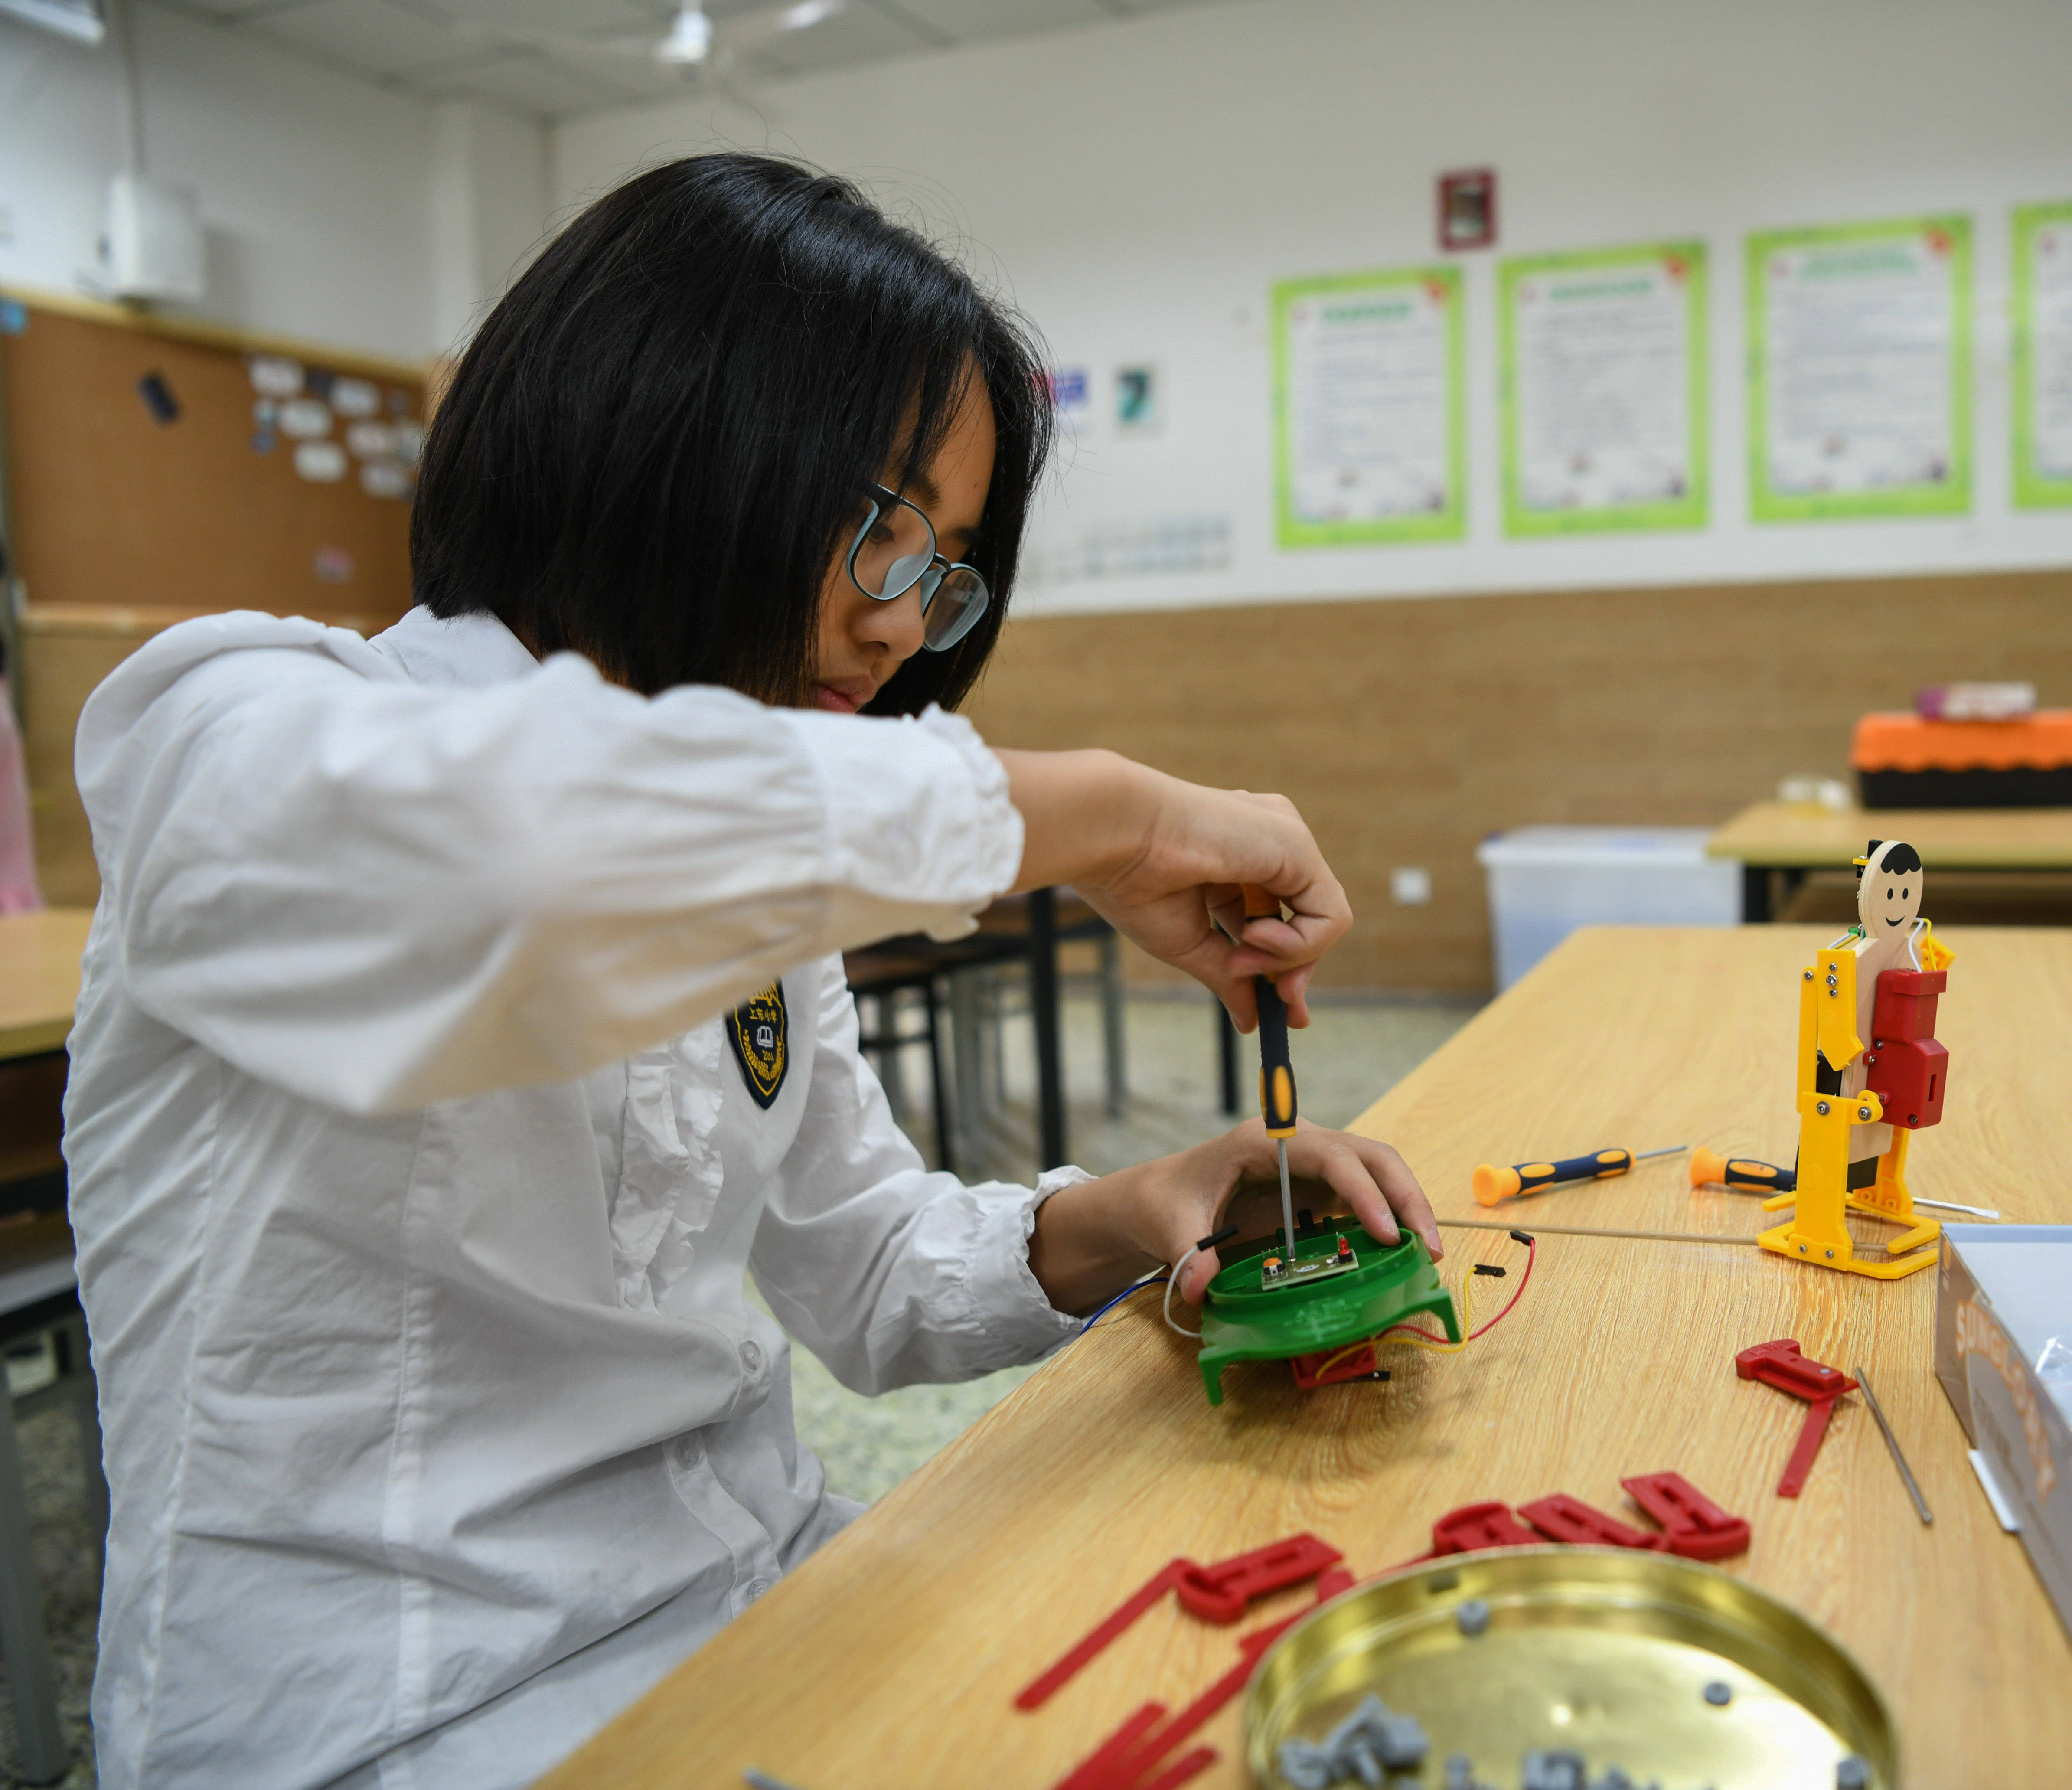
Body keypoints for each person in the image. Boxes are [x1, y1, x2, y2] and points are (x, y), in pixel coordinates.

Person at [61, 152, 1438, 1790]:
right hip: (396, 1719)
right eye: (881, 527)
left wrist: (1133, 1213)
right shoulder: (236, 728)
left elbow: (858, 1258)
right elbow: (520, 855)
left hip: (766, 1590)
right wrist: (1111, 818)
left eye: (945, 567)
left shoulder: (763, 849)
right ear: (656, 428)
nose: (901, 626)